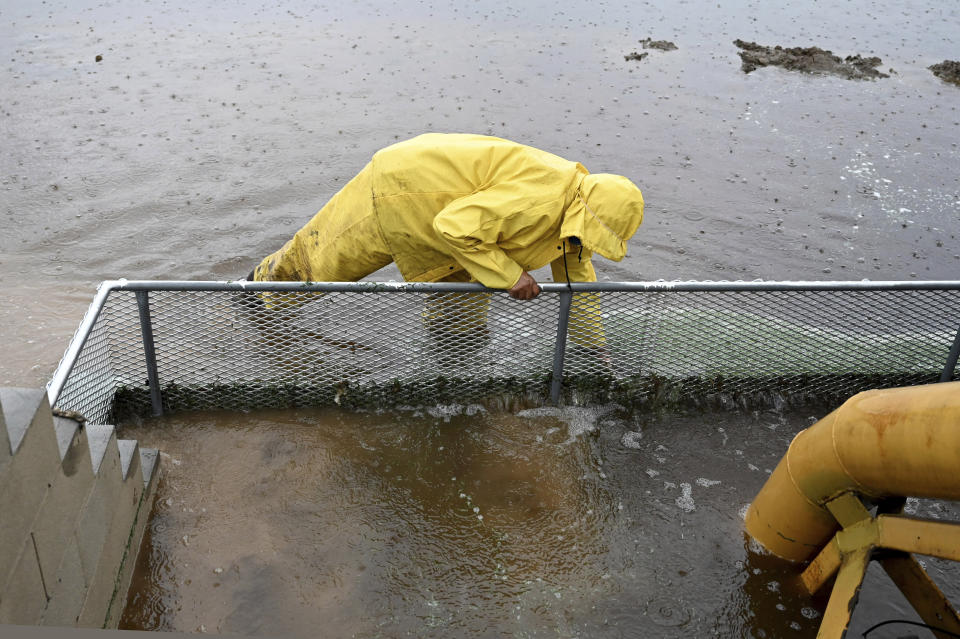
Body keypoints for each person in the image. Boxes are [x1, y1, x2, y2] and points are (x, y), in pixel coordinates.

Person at [248, 133, 644, 350]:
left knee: (463, 309)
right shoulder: (539, 200)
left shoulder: (574, 221)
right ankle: (247, 306)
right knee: (313, 269)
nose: (589, 241)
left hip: (446, 228)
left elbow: (579, 287)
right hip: (398, 191)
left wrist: (594, 352)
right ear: (587, 210)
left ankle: (451, 354)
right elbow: (456, 226)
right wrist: (511, 276)